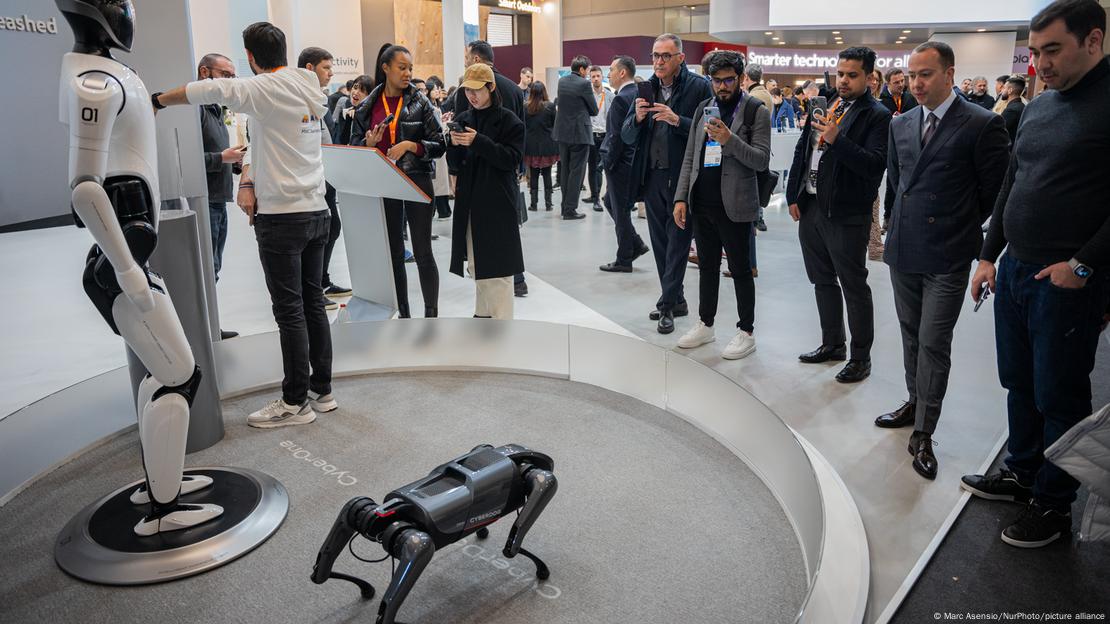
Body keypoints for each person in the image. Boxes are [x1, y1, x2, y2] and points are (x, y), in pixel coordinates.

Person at [963, 0, 1110, 549]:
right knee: (1018, 383)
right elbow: (1011, 184)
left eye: (1053, 50)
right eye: (1035, 51)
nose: (1040, 63)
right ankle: (1022, 473)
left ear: (1092, 41)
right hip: (1015, 270)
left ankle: (1053, 505)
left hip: (1067, 280)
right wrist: (987, 254)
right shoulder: (1039, 105)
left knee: (1059, 395)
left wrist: (1083, 264)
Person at [153, 23, 335, 427]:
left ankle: (293, 403)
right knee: (312, 304)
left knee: (289, 311)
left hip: (283, 218)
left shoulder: (261, 89)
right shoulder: (308, 86)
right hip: (317, 211)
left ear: (250, 58)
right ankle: (321, 391)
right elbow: (267, 139)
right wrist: (249, 178)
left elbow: (205, 91)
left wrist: (157, 101)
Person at [878, 41, 1011, 480]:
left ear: (950, 74)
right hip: (904, 250)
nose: (916, 83)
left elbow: (995, 193)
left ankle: (925, 433)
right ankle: (915, 403)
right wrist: (892, 229)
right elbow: (897, 186)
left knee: (935, 342)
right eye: (911, 75)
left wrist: (964, 228)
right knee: (911, 335)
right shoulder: (901, 124)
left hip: (949, 255)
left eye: (926, 74)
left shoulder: (981, 123)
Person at [786, 46, 891, 384]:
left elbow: (874, 165)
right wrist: (793, 194)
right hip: (813, 206)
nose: (844, 80)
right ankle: (833, 343)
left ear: (870, 77)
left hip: (846, 213)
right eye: (841, 73)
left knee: (853, 285)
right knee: (821, 280)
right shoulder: (827, 103)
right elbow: (804, 151)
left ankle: (861, 357)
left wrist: (836, 139)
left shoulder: (877, 114)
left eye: (852, 75)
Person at [672, 50, 770, 360]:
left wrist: (729, 139)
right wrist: (681, 197)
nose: (722, 86)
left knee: (740, 269)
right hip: (702, 202)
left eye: (729, 80)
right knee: (707, 267)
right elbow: (691, 156)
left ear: (741, 79)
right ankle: (706, 323)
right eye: (716, 81)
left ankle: (746, 331)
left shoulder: (755, 111)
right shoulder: (704, 108)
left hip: (737, 203)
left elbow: (761, 160)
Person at [623, 33, 714, 334]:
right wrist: (636, 119)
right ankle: (677, 300)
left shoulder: (699, 87)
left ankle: (666, 306)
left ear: (680, 58)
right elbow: (626, 136)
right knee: (661, 245)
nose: (658, 61)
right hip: (652, 177)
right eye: (654, 56)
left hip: (683, 177)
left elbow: (711, 133)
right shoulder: (645, 89)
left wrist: (678, 121)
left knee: (677, 243)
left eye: (665, 56)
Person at [351, 45, 446, 318]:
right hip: (384, 181)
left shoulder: (420, 102)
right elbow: (354, 145)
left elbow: (439, 143)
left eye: (410, 69)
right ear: (385, 68)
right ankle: (404, 315)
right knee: (394, 255)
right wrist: (367, 144)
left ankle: (431, 316)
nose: (408, 74)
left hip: (416, 179)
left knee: (422, 252)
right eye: (402, 67)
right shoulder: (368, 106)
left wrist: (410, 145)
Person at [446, 40, 527, 295]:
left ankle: (499, 320)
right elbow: (457, 159)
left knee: (500, 263)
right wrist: (453, 145)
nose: (471, 95)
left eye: (477, 90)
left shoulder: (508, 119)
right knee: (477, 263)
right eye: (467, 90)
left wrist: (476, 141)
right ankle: (485, 316)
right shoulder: (466, 117)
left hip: (498, 191)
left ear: (490, 87)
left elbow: (511, 155)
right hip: (472, 194)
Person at [195, 53, 243, 339]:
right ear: (205, 72)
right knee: (207, 268)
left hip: (218, 198)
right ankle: (205, 328)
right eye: (226, 75)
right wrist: (220, 158)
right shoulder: (196, 110)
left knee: (214, 266)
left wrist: (232, 163)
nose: (230, 81)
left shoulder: (214, 108)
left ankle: (209, 325)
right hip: (205, 200)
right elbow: (187, 158)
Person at [599, 55, 650, 273]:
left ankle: (624, 258)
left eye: (610, 70)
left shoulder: (621, 99)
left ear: (622, 73)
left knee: (620, 210)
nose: (607, 74)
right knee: (610, 202)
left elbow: (617, 137)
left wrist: (608, 163)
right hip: (634, 162)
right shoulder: (639, 94)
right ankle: (635, 243)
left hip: (620, 163)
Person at [553, 55, 599, 221]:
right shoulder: (584, 84)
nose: (588, 73)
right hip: (580, 133)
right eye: (587, 70)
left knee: (565, 171)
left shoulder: (562, 82)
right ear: (581, 69)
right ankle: (570, 209)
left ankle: (565, 207)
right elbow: (594, 110)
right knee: (577, 173)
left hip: (563, 133)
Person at [879, 68, 920, 233]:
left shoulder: (910, 98)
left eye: (903, 81)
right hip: (888, 146)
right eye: (896, 82)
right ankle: (888, 218)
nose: (901, 85)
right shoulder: (881, 101)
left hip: (909, 145)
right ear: (888, 83)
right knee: (891, 182)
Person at [524, 81, 559, 212]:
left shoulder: (525, 107)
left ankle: (533, 204)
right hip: (547, 146)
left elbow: (524, 126)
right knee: (547, 175)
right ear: (544, 91)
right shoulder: (550, 106)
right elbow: (555, 125)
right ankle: (548, 204)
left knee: (533, 176)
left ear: (531, 92)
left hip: (531, 147)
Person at [583, 65, 613, 213]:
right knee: (593, 168)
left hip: (605, 136)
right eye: (593, 76)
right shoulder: (586, 95)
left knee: (604, 168)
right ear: (590, 78)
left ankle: (606, 196)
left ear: (602, 77)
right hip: (591, 136)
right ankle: (595, 198)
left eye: (598, 76)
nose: (595, 78)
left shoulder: (610, 95)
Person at [425, 75, 453, 220]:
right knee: (437, 182)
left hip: (440, 147)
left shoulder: (437, 106)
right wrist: (444, 125)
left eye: (438, 88)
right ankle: (441, 210)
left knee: (441, 181)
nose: (437, 91)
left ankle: (442, 209)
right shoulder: (428, 107)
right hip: (435, 146)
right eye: (434, 89)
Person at [332, 74, 372, 146]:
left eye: (362, 91)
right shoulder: (347, 113)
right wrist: (348, 119)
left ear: (369, 96)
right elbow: (342, 141)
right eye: (355, 87)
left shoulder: (371, 115)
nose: (356, 93)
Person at [1000, 75, 1028, 145]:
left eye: (1004, 88)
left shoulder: (1011, 110)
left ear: (1010, 90)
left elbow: (998, 131)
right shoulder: (1022, 106)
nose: (1001, 91)